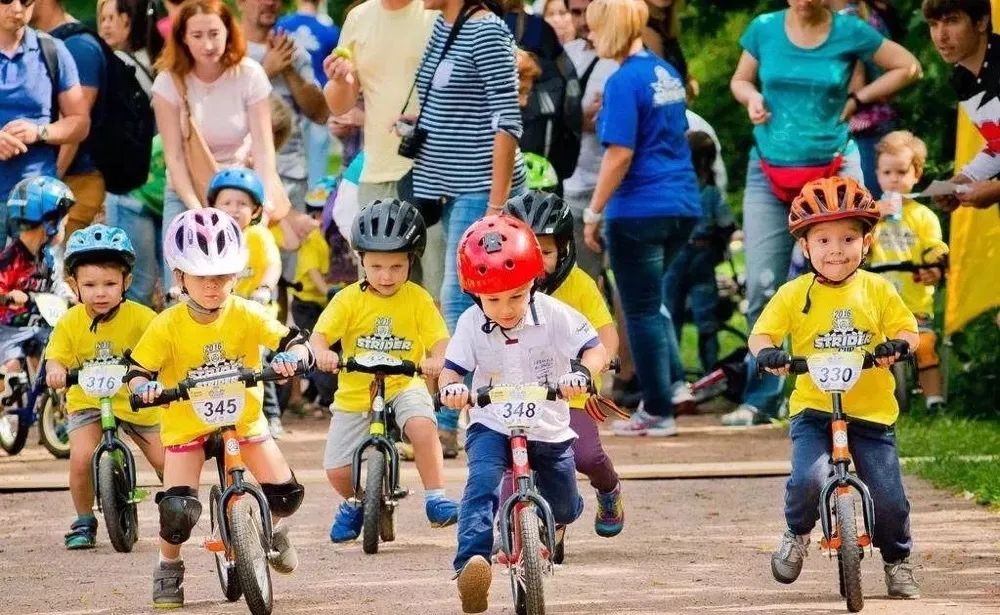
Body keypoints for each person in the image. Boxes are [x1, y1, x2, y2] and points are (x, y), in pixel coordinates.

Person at [725, 0, 921, 426]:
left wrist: (857, 98)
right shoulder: (764, 27)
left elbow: (908, 66)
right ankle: (762, 399)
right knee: (761, 284)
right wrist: (752, 95)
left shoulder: (849, 30)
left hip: (833, 165)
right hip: (769, 168)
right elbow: (739, 80)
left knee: (849, 276)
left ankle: (856, 392)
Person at [127, 208, 311, 608]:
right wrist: (145, 388)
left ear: (237, 274)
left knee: (286, 494)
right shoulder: (167, 324)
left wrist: (293, 358)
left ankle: (269, 529)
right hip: (187, 425)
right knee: (177, 511)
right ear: (180, 276)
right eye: (201, 275)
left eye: (223, 275)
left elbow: (291, 340)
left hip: (242, 421)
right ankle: (168, 566)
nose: (213, 285)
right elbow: (137, 371)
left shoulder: (246, 313)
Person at [750, 176, 920, 599]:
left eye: (848, 238)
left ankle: (897, 560)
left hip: (871, 412)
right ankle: (796, 533)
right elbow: (761, 334)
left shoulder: (877, 289)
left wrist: (897, 345)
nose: (836, 250)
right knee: (808, 478)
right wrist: (769, 353)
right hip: (813, 408)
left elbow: (907, 329)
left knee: (889, 498)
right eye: (823, 240)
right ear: (805, 246)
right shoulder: (794, 293)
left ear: (867, 242)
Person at [440, 215, 604, 613]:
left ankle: (560, 518)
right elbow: (451, 370)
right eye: (493, 300)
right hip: (493, 422)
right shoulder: (470, 323)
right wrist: (452, 389)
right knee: (481, 483)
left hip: (547, 426)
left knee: (564, 505)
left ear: (533, 281)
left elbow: (594, 348)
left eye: (515, 296)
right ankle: (471, 565)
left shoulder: (554, 314)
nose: (505, 309)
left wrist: (582, 374)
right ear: (475, 295)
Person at [581, 0, 700, 437]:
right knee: (654, 303)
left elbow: (620, 154)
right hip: (682, 205)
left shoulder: (622, 80)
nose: (590, 36)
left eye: (595, 28)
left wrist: (593, 212)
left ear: (612, 28)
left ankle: (657, 410)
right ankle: (674, 388)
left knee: (641, 311)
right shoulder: (664, 72)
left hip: (639, 209)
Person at [310, 199, 459, 543]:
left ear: (411, 261)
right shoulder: (348, 299)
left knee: (423, 426)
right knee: (337, 470)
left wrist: (438, 359)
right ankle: (358, 501)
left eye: (396, 266)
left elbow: (440, 339)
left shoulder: (418, 299)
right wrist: (322, 352)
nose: (386, 276)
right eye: (376, 266)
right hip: (355, 391)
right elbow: (321, 335)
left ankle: (435, 498)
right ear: (361, 260)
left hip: (404, 383)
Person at [503, 191, 624, 540]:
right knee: (512, 458)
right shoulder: (502, 287)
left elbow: (605, 332)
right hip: (519, 392)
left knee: (586, 456)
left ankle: (609, 489)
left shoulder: (579, 284)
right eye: (527, 250)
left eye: (546, 252)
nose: (536, 261)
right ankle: (522, 524)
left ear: (565, 249)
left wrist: (597, 363)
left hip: (570, 391)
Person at [151, 0, 291, 293]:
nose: (208, 44)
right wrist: (200, 214)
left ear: (228, 32)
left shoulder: (249, 74)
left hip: (240, 192)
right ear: (183, 38)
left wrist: (260, 205)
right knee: (182, 289)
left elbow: (264, 149)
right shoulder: (169, 82)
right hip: (188, 191)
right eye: (197, 35)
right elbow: (174, 157)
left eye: (214, 33)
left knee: (246, 283)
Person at [45, 224, 163, 550]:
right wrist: (56, 371)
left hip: (135, 397)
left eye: (110, 284)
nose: (100, 293)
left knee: (165, 458)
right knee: (81, 458)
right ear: (74, 285)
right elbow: (55, 356)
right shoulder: (70, 321)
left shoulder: (142, 317)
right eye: (90, 285)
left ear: (126, 282)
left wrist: (159, 376)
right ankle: (84, 519)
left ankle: (175, 502)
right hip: (89, 400)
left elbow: (164, 347)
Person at [321, 0, 440, 289]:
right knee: (380, 290)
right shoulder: (358, 18)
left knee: (438, 291)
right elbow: (340, 104)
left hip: (437, 175)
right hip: (376, 174)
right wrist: (340, 80)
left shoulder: (438, 11)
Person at [869, 131, 947, 411]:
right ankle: (877, 400)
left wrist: (935, 268)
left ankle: (934, 400)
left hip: (914, 303)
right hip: (878, 304)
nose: (894, 179)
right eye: (887, 172)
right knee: (873, 349)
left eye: (901, 172)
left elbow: (934, 247)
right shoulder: (870, 215)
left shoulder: (924, 216)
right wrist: (874, 216)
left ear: (916, 174)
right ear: (877, 175)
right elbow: (858, 246)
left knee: (925, 346)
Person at [205, 168, 287, 437]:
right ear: (214, 206)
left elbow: (273, 264)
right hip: (223, 313)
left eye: (242, 203)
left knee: (257, 360)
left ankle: (271, 415)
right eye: (226, 203)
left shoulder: (257, 235)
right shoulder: (211, 238)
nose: (233, 209)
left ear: (255, 210)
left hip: (256, 310)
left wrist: (264, 288)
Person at [0, 0, 88, 245]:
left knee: (40, 272)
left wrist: (40, 132)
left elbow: (80, 122)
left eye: (26, 0)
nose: (17, 8)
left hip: (39, 201)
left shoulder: (52, 49)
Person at [31, 0, 109, 238]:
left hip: (75, 183)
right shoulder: (38, 43)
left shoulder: (78, 46)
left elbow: (73, 132)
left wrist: (47, 191)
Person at [663, 131, 736, 374]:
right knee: (706, 318)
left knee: (671, 314)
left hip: (674, 256)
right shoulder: (711, 192)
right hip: (703, 257)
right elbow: (727, 224)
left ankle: (672, 375)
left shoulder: (671, 187)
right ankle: (710, 371)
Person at [924, 0, 1000, 210]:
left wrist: (996, 190)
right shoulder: (962, 78)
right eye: (933, 24)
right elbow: (998, 143)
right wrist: (960, 182)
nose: (941, 36)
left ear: (981, 22)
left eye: (952, 21)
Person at [0, 177, 72, 392]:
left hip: (41, 327)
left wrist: (70, 297)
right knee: (11, 369)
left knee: (58, 359)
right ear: (50, 223)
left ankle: (49, 404)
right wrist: (8, 296)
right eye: (63, 223)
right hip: (10, 330)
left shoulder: (48, 258)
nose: (64, 228)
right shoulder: (11, 260)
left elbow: (56, 285)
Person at [276, 0, 340, 188]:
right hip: (318, 99)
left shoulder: (281, 25)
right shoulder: (330, 31)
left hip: (287, 99)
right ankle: (315, 196)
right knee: (317, 158)